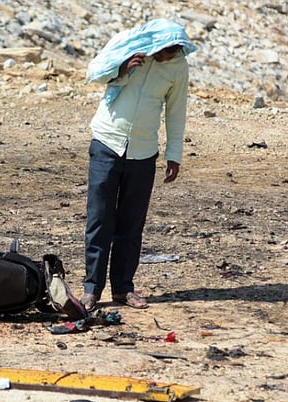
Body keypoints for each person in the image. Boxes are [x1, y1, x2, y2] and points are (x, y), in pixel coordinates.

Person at [80, 19, 197, 310]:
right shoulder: (126, 45)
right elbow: (93, 73)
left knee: (131, 225)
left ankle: (123, 289)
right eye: (164, 51)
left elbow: (176, 111)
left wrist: (175, 154)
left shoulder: (178, 67)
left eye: (172, 52)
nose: (166, 56)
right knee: (99, 220)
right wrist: (121, 70)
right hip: (107, 142)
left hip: (144, 152)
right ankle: (92, 289)